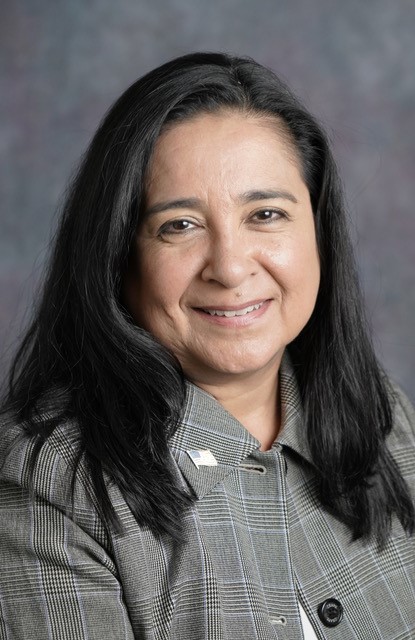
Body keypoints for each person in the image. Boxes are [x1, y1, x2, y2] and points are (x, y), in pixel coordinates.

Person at [0, 52, 414, 640]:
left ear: (318, 233)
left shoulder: (382, 415)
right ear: (118, 257)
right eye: (180, 225)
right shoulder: (52, 484)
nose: (230, 267)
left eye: (265, 214)